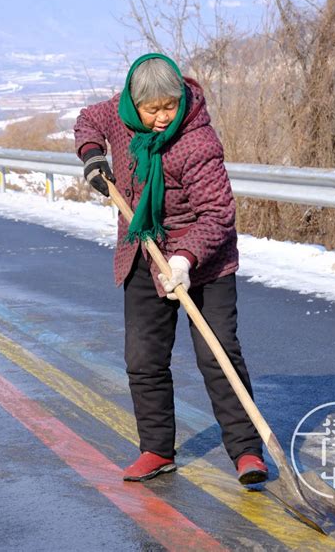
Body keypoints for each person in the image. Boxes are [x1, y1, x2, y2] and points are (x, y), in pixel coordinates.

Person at [74, 53, 268, 485]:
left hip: (204, 260)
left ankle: (248, 452)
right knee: (144, 358)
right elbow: (88, 122)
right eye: (153, 109)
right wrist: (92, 156)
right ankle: (157, 449)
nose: (163, 117)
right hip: (144, 250)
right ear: (133, 103)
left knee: (218, 356)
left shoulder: (197, 141)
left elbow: (218, 214)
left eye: (170, 106)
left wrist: (184, 259)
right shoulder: (117, 117)